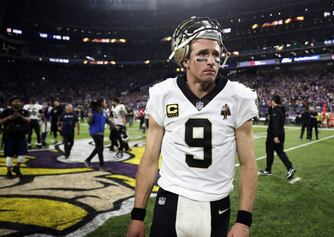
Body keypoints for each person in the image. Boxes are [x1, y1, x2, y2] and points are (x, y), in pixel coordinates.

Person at [127, 16, 258, 237]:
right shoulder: (162, 94)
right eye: (203, 55)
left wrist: (244, 220)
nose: (211, 61)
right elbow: (150, 160)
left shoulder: (239, 96)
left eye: (215, 54)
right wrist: (138, 216)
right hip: (170, 200)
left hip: (216, 203)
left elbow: (248, 164)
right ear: (184, 60)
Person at [260, 95, 296, 179]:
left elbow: (275, 123)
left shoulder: (275, 110)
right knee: (280, 152)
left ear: (274, 101)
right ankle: (290, 168)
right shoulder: (280, 109)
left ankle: (268, 170)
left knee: (270, 152)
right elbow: (272, 116)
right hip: (280, 133)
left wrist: (275, 136)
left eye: (272, 100)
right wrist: (270, 108)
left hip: (274, 134)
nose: (270, 102)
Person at [0, 97, 30, 179]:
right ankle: (9, 171)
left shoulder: (24, 112)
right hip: (9, 136)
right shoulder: (6, 111)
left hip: (21, 135)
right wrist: (9, 118)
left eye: (19, 101)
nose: (17, 103)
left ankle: (16, 167)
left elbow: (29, 120)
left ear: (21, 103)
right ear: (11, 103)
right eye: (15, 101)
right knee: (9, 155)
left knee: (23, 155)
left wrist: (21, 117)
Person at [84, 99, 116, 171]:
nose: (106, 103)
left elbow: (108, 121)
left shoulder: (104, 112)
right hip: (95, 132)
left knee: (98, 148)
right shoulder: (93, 112)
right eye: (104, 102)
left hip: (100, 133)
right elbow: (89, 122)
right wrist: (90, 117)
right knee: (100, 149)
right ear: (101, 103)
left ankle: (87, 160)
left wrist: (113, 125)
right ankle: (102, 166)